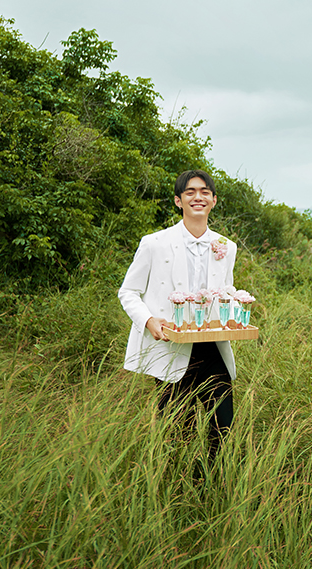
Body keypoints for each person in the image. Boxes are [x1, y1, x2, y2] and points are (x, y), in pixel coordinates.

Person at [118, 170, 237, 479]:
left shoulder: (227, 247)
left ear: (213, 200)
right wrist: (148, 320)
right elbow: (128, 292)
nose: (198, 197)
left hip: (212, 349)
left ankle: (212, 484)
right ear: (178, 200)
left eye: (204, 192)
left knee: (223, 425)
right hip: (171, 350)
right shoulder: (154, 243)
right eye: (190, 192)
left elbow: (225, 293)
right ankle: (175, 487)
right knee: (175, 432)